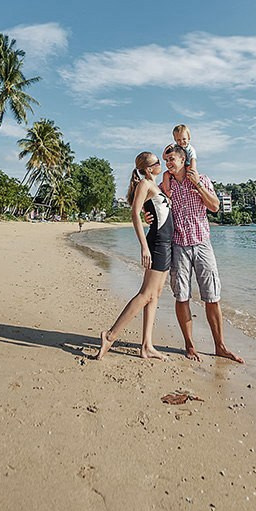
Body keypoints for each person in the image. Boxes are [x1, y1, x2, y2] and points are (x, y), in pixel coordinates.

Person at [161, 144, 244, 364]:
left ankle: (220, 346)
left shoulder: (202, 179)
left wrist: (197, 184)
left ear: (183, 160)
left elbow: (215, 206)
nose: (168, 164)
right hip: (178, 245)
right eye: (166, 161)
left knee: (212, 296)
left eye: (171, 160)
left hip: (202, 244)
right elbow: (150, 203)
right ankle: (189, 345)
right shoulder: (166, 186)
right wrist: (147, 215)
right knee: (181, 296)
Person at [96, 151, 173, 361]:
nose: (161, 164)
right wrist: (144, 247)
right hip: (156, 244)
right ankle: (110, 336)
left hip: (167, 245)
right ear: (149, 168)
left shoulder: (156, 186)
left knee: (155, 295)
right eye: (158, 161)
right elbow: (134, 213)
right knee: (146, 295)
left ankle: (147, 345)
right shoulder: (145, 184)